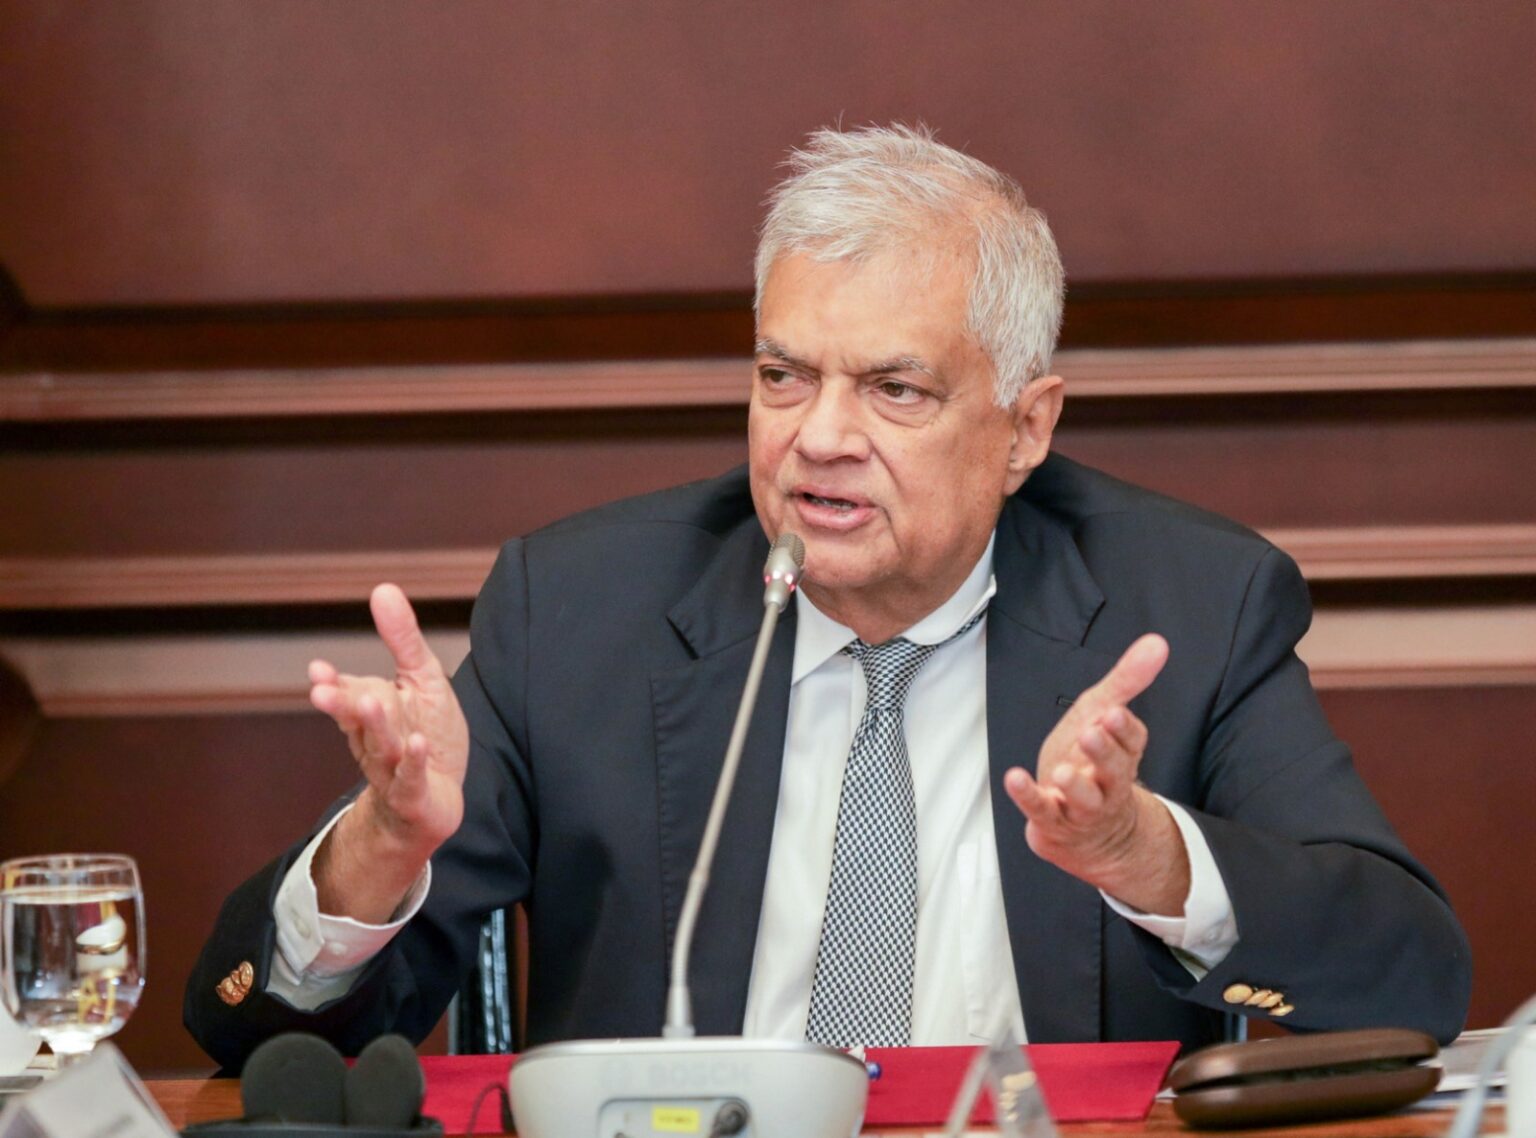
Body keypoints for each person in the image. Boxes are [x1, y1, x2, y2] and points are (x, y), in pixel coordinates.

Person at [185, 125, 1471, 1070]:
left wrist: (1149, 858)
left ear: (1026, 428)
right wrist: (378, 847)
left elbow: (1413, 976)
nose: (819, 438)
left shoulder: (1188, 606)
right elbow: (257, 1035)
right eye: (783, 376)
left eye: (895, 390)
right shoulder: (577, 612)